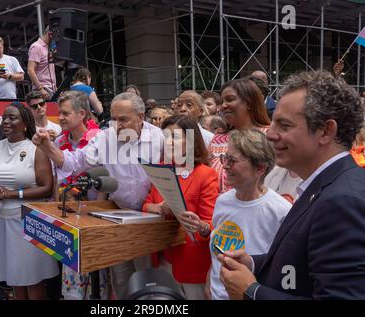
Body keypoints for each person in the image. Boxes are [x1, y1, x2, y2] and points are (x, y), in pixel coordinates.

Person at [218, 70, 365, 300]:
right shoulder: (327, 185)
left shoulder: (341, 201)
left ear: (326, 131)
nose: (270, 135)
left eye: (284, 126)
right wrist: (255, 264)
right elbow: (302, 265)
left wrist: (251, 291)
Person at [32, 92, 163, 299]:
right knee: (121, 279)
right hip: (119, 217)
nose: (117, 125)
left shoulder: (160, 138)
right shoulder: (105, 138)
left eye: (123, 119)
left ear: (141, 116)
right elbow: (73, 163)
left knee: (148, 281)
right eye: (114, 119)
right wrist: (47, 146)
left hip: (152, 220)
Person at [0, 102, 58, 300]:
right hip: (0, 220)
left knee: (32, 278)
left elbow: (47, 187)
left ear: (25, 124)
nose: (5, 121)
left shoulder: (35, 149)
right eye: (4, 117)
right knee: (14, 276)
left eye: (12, 118)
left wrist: (10, 194)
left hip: (28, 220)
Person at [206, 129, 291, 300]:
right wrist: (209, 282)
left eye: (233, 160)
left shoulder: (280, 211)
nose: (225, 165)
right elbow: (216, 249)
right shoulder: (223, 201)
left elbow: (284, 268)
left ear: (260, 168)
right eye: (225, 158)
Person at [142, 115, 219, 299]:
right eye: (165, 136)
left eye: (174, 136)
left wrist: (200, 225)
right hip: (163, 255)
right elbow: (146, 205)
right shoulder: (160, 168)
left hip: (190, 258)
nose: (168, 142)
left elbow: (210, 223)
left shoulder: (206, 175)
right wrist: (159, 207)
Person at [52, 91, 106, 299]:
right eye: (60, 113)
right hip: (70, 215)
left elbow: (105, 178)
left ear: (82, 114)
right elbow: (58, 179)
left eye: (65, 113)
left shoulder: (99, 139)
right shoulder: (58, 143)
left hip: (95, 217)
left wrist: (96, 213)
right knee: (72, 272)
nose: (61, 118)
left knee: (96, 275)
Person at [209, 78, 270, 194]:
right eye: (222, 101)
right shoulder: (218, 138)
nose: (223, 105)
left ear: (249, 102)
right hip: (217, 208)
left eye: (230, 99)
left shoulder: (269, 136)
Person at [28, 27, 56, 100]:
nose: (55, 40)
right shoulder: (36, 47)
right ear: (49, 34)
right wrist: (40, 88)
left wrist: (55, 88)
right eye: (55, 37)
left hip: (50, 89)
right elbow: (30, 70)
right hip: (42, 90)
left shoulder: (49, 48)